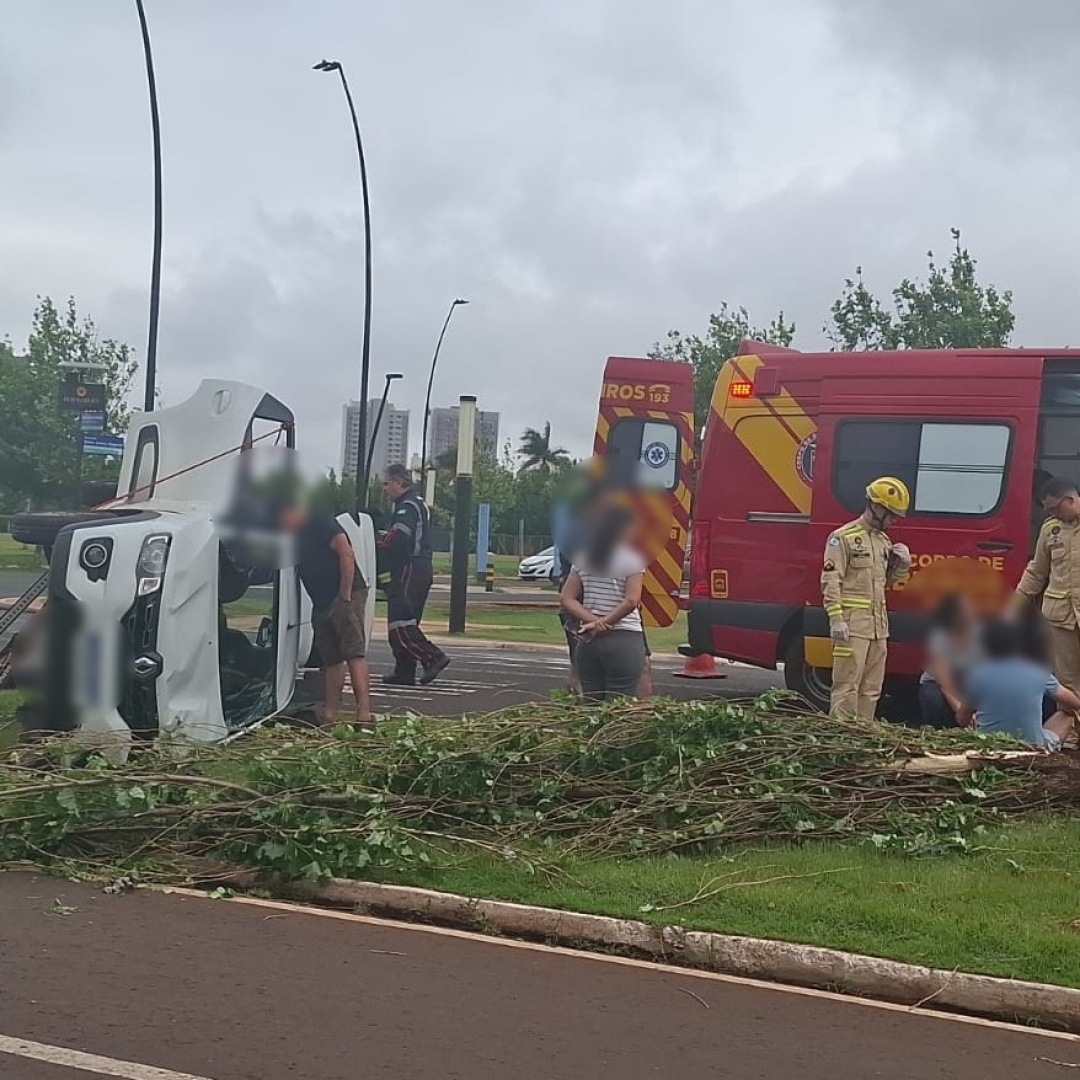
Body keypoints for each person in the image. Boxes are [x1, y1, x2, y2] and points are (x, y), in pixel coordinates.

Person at [821, 476, 912, 721]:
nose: (893, 521)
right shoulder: (843, 537)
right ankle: (841, 740)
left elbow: (884, 584)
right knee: (846, 687)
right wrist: (836, 619)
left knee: (872, 689)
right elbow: (831, 580)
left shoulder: (884, 541)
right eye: (891, 514)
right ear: (877, 507)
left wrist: (902, 566)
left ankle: (862, 737)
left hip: (878, 627)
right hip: (851, 626)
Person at [282, 504, 372, 729]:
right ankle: (330, 712)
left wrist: (345, 593)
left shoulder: (320, 523)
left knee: (354, 652)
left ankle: (364, 713)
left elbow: (346, 553)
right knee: (330, 658)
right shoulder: (293, 537)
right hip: (321, 601)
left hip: (344, 595)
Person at [559, 503, 647, 701]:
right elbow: (632, 600)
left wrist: (593, 621)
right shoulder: (632, 559)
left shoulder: (583, 557)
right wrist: (606, 622)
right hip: (624, 638)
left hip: (588, 640)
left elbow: (566, 598)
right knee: (619, 703)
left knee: (591, 701)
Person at [377, 464, 449, 687]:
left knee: (400, 623)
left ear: (399, 483)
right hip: (420, 568)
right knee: (408, 620)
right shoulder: (418, 503)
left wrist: (377, 542)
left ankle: (433, 657)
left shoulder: (406, 507)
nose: (385, 489)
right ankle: (404, 671)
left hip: (410, 567)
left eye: (386, 484)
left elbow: (399, 536)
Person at [958, 619, 1078, 750]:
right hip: (1033, 748)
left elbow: (962, 719)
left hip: (989, 747)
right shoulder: (1038, 671)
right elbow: (1073, 702)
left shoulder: (978, 673)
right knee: (1066, 715)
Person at [1013, 476, 1080, 694]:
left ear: (1070, 500)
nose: (1052, 514)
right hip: (1061, 621)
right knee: (1066, 684)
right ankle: (1071, 728)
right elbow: (1037, 571)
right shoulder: (1051, 529)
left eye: (1054, 508)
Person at [918, 593, 981, 728]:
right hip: (939, 685)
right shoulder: (941, 638)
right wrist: (961, 713)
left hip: (966, 684)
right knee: (933, 699)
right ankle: (937, 729)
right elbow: (945, 683)